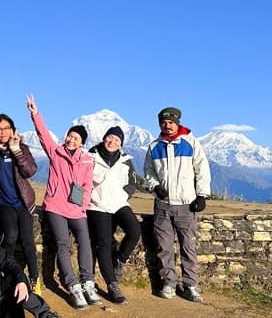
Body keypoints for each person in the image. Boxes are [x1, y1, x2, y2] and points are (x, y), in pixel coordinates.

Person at [26, 94, 101, 309]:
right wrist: (35, 114)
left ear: (82, 143)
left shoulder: (87, 160)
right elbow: (43, 135)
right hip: (56, 206)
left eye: (76, 138)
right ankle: (73, 286)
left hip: (77, 209)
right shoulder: (55, 151)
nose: (71, 140)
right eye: (70, 136)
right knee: (63, 244)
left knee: (85, 242)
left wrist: (83, 204)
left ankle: (88, 282)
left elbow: (87, 185)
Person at [144, 107, 211, 302]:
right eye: (164, 122)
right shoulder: (154, 146)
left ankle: (191, 285)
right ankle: (169, 283)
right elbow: (148, 170)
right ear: (160, 124)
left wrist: (202, 195)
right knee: (164, 247)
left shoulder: (190, 142)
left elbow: (202, 169)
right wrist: (154, 186)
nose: (167, 125)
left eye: (171, 122)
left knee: (188, 247)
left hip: (186, 204)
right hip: (163, 204)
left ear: (178, 122)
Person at [0, 113, 41, 292]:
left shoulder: (21, 148)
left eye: (6, 128)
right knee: (11, 235)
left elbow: (30, 171)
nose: (3, 132)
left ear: (13, 130)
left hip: (22, 202)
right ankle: (5, 273)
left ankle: (35, 278)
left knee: (28, 239)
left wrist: (16, 150)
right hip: (2, 202)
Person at [86, 126, 141, 304]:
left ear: (121, 144)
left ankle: (119, 260)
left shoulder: (126, 160)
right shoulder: (90, 156)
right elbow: (79, 180)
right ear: (104, 138)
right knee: (103, 243)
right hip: (97, 205)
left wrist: (124, 195)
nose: (112, 142)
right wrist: (79, 201)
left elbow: (133, 181)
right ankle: (112, 284)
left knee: (134, 230)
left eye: (117, 140)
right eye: (110, 138)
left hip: (118, 203)